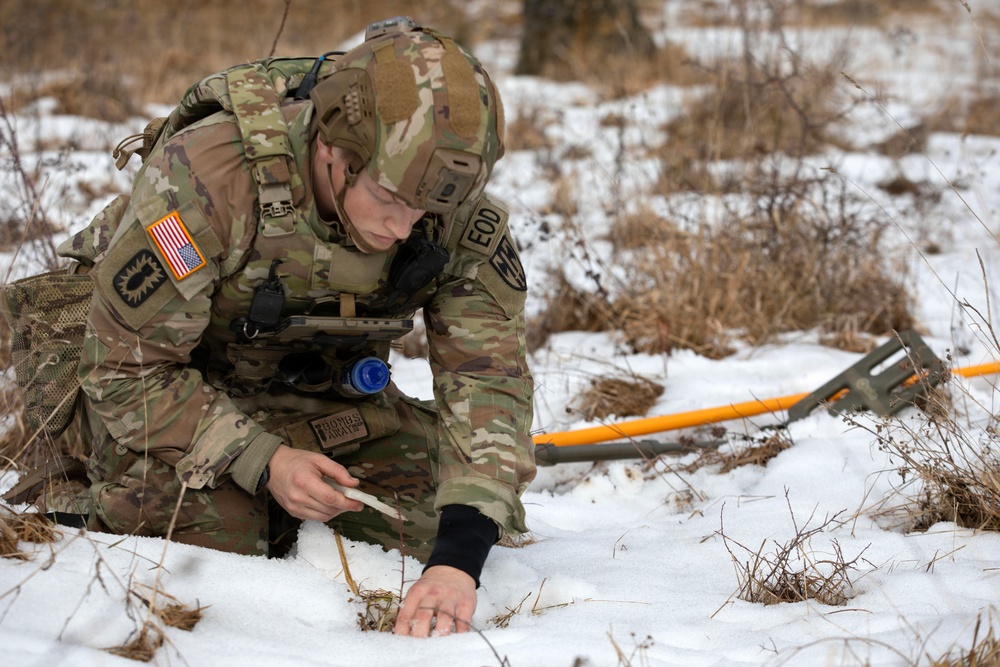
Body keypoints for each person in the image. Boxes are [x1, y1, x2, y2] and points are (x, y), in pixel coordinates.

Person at [33, 17, 535, 637]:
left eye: (428, 208)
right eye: (387, 199)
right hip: (177, 393)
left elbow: (488, 382)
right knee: (219, 542)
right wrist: (263, 460)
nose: (406, 228)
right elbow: (125, 370)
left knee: (468, 517)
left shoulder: (449, 205)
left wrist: (457, 565)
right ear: (331, 150)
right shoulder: (212, 178)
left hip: (322, 395)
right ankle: (80, 491)